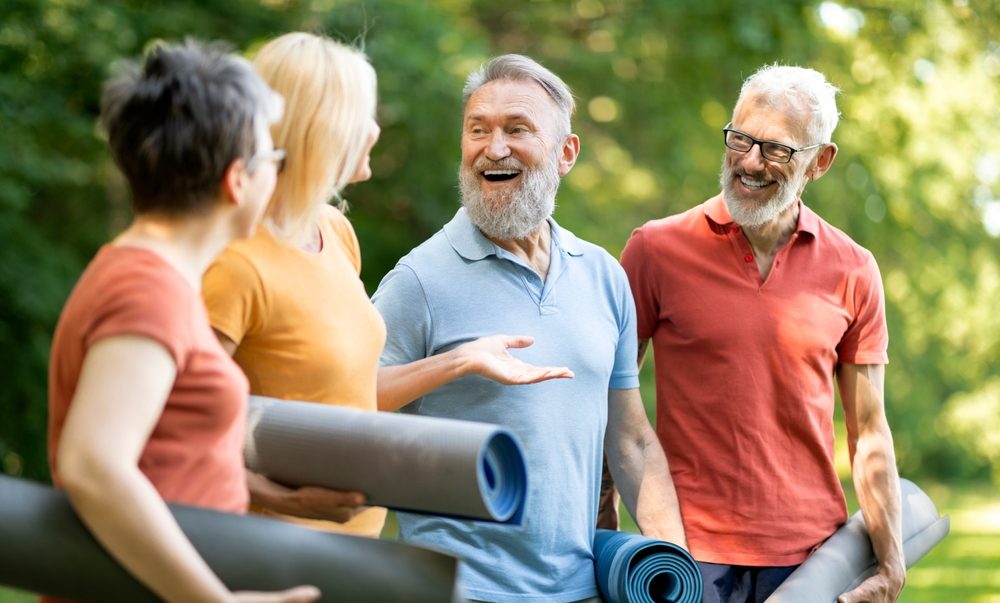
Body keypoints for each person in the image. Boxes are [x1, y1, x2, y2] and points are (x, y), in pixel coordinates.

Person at [372, 54, 687, 603]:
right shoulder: (417, 280)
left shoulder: (603, 276)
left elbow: (632, 441)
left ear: (566, 153)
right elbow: (344, 401)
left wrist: (673, 564)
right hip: (458, 590)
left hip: (580, 589)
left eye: (517, 129)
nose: (494, 148)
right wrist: (457, 361)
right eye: (478, 130)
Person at [613, 64, 905, 603]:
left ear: (820, 161)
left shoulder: (854, 268)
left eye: (776, 149)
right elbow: (609, 405)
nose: (749, 162)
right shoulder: (654, 250)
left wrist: (891, 564)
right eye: (740, 139)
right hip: (687, 553)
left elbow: (868, 432)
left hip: (812, 561)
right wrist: (604, 533)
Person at [47, 40, 318, 602]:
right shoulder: (145, 290)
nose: (277, 172)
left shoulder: (156, 280)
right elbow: (93, 465)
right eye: (272, 157)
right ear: (237, 180)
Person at [201, 32, 386, 537]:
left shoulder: (334, 229)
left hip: (354, 552)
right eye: (360, 114)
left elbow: (342, 389)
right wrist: (286, 499)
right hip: (269, 551)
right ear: (317, 129)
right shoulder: (234, 260)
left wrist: (458, 362)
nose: (374, 129)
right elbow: (175, 428)